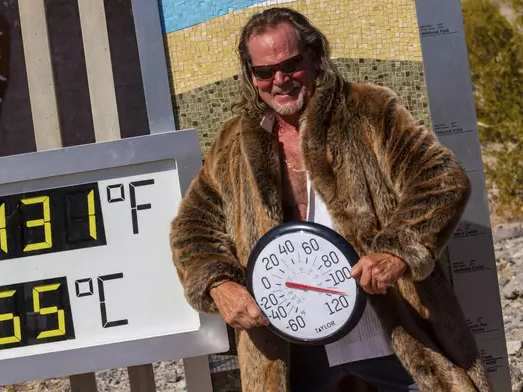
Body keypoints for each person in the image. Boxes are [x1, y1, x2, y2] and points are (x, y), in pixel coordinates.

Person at [169, 7, 492, 392]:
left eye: (291, 64)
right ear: (250, 75)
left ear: (314, 56)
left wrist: (397, 252)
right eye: (265, 71)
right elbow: (192, 229)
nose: (280, 80)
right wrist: (218, 283)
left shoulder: (369, 111)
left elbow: (442, 179)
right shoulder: (232, 146)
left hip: (390, 330)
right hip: (288, 350)